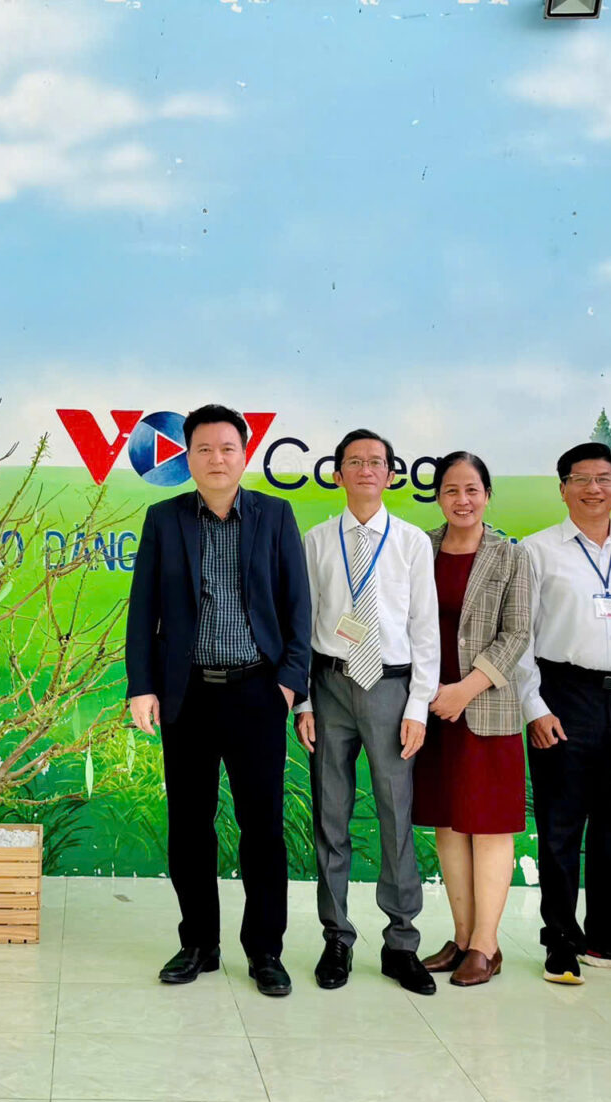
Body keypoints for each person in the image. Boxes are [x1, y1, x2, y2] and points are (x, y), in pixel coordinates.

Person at [127, 405, 312, 997]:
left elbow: (298, 605)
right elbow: (142, 608)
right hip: (187, 695)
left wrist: (289, 684)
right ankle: (198, 944)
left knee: (263, 827)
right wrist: (142, 685)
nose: (216, 459)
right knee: (189, 825)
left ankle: (265, 951)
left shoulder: (275, 515)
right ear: (187, 456)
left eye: (227, 448)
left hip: (258, 692)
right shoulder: (164, 519)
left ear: (244, 454)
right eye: (203, 449)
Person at [513, 442, 611, 985]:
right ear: (562, 489)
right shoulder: (536, 551)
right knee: (560, 826)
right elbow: (521, 637)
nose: (593, 488)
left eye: (604, 478)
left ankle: (609, 936)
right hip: (564, 694)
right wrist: (534, 707)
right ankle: (561, 939)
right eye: (580, 479)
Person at [295, 429, 440, 996]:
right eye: (354, 462)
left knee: (395, 816)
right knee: (331, 817)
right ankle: (337, 937)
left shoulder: (410, 542)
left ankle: (401, 942)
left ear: (391, 474)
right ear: (337, 474)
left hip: (390, 689)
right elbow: (304, 624)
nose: (365, 470)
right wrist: (305, 700)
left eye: (376, 462)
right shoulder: (316, 540)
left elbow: (424, 629)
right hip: (330, 686)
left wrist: (419, 706)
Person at [412, 453, 533, 987]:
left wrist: (465, 689)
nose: (462, 500)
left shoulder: (511, 555)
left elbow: (517, 633)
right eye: (451, 490)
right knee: (448, 823)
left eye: (472, 490)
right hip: (430, 707)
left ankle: (487, 944)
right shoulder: (419, 548)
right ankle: (461, 939)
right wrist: (434, 695)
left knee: (488, 826)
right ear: (438, 495)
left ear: (487, 494)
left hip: (484, 707)